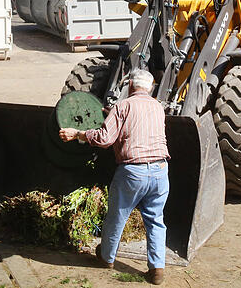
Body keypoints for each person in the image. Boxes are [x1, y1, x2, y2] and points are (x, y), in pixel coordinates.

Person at [58, 69, 170, 285]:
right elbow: (139, 124)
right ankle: (157, 269)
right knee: (156, 220)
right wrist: (113, 115)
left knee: (118, 215)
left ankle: (107, 257)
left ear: (129, 86)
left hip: (133, 172)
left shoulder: (123, 106)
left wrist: (78, 133)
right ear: (151, 88)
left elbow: (104, 139)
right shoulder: (158, 107)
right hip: (160, 170)